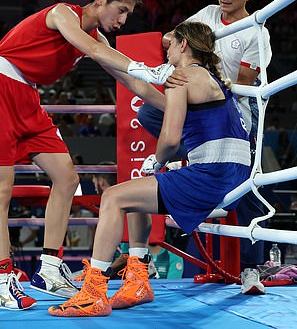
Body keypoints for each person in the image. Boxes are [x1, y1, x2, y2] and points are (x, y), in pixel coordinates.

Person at [0, 0, 174, 311]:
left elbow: (135, 84)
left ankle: (49, 270)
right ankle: (4, 282)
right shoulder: (62, 14)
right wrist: (144, 66)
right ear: (100, 0)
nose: (123, 20)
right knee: (1, 190)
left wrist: (177, 109)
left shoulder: (101, 40)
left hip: (27, 98)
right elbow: (90, 50)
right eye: (121, 10)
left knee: (67, 178)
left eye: (129, 13)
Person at [49, 21, 251, 317]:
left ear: (184, 44)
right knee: (134, 194)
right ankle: (137, 280)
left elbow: (169, 139)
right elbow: (140, 88)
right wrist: (102, 51)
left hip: (212, 175)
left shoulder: (181, 78)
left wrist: (157, 160)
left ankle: (92, 293)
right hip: (233, 174)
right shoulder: (206, 79)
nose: (165, 52)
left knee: (113, 198)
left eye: (170, 46)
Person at [137, 0, 272, 271]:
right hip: (201, 106)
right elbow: (171, 36)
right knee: (148, 113)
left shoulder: (256, 33)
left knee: (246, 185)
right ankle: (198, 156)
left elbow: (242, 85)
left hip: (232, 109)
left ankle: (252, 268)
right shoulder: (208, 14)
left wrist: (202, 77)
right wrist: (180, 48)